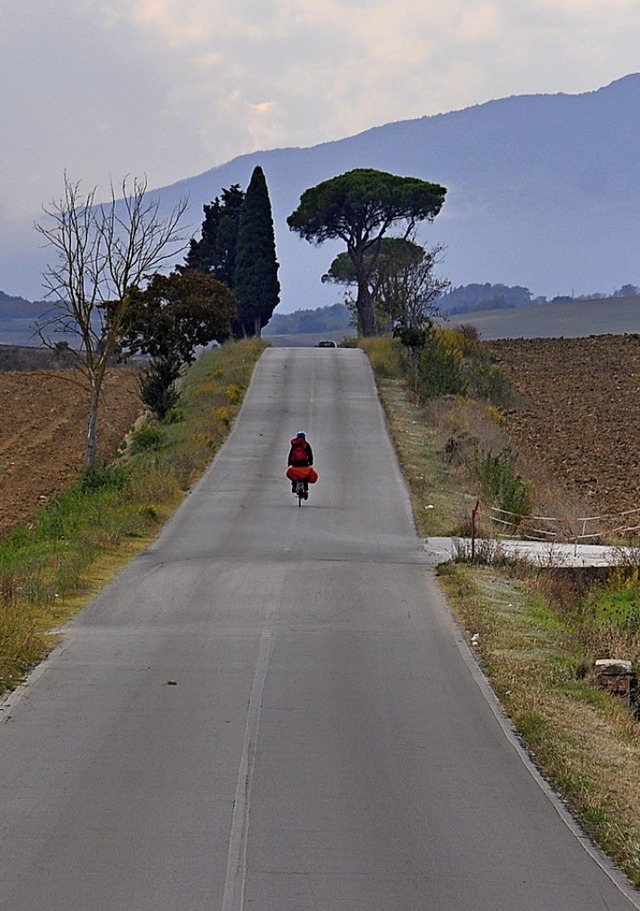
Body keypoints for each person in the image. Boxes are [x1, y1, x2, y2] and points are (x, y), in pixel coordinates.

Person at [287, 430, 314, 496]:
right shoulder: (306, 445)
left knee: (294, 475)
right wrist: (310, 462)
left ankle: (294, 487)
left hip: (295, 463)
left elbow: (290, 454)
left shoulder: (294, 445)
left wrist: (289, 463)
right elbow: (310, 454)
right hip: (304, 463)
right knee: (305, 475)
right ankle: (306, 489)